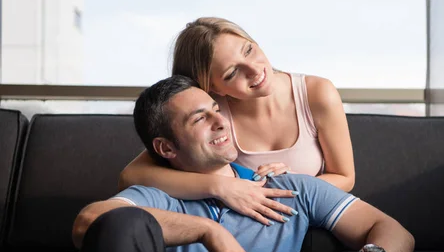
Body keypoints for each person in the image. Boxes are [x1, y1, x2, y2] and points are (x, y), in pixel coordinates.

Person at [73, 76, 414, 252]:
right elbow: (90, 221)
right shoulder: (160, 197)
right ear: (166, 148)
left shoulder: (290, 187)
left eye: (216, 110)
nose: (220, 122)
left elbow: (394, 231)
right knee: (124, 223)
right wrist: (207, 231)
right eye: (198, 119)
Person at [119, 17, 355, 226]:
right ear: (210, 87)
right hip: (239, 226)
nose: (254, 70)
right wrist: (221, 187)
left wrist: (289, 185)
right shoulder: (211, 114)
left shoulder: (317, 94)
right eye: (232, 73)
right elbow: (132, 176)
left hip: (307, 221)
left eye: (249, 50)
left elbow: (345, 177)